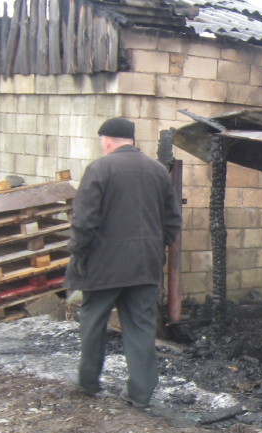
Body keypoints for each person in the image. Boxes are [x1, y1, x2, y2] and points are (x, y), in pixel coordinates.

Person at [65, 117, 182, 407]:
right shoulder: (157, 171)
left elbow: (84, 221)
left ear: (106, 140)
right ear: (131, 139)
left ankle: (89, 382)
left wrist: (78, 253)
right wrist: (158, 246)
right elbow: (172, 220)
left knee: (93, 321)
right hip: (145, 265)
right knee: (141, 327)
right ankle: (141, 393)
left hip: (103, 266)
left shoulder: (99, 169)